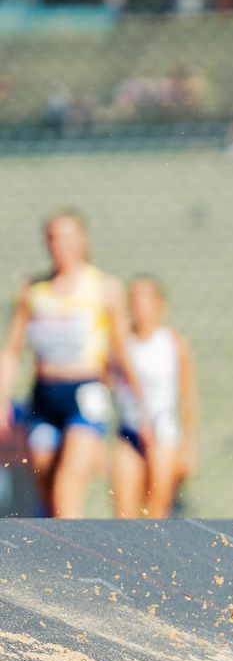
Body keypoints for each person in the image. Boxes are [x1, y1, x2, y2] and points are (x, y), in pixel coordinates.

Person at [0, 211, 144, 518]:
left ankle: (71, 558)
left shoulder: (104, 287)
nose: (59, 245)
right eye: (53, 238)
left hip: (86, 392)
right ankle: (57, 545)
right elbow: (12, 351)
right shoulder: (33, 291)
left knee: (68, 482)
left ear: (83, 241)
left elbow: (120, 349)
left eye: (67, 237)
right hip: (44, 395)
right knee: (43, 473)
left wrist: (139, 401)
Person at [109, 276, 197, 519]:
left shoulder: (173, 343)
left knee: (156, 510)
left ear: (160, 304)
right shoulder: (120, 343)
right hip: (129, 430)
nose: (139, 305)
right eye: (134, 298)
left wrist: (188, 447)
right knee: (123, 513)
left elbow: (188, 397)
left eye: (146, 298)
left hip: (163, 431)